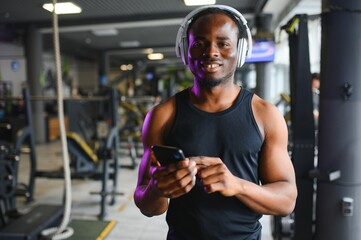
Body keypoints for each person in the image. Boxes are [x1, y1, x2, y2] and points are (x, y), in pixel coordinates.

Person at [134, 5, 297, 240]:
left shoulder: (265, 115)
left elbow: (286, 201)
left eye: (223, 43)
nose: (211, 52)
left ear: (240, 50)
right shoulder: (162, 115)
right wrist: (157, 190)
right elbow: (148, 205)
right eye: (199, 43)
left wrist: (237, 185)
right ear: (185, 51)